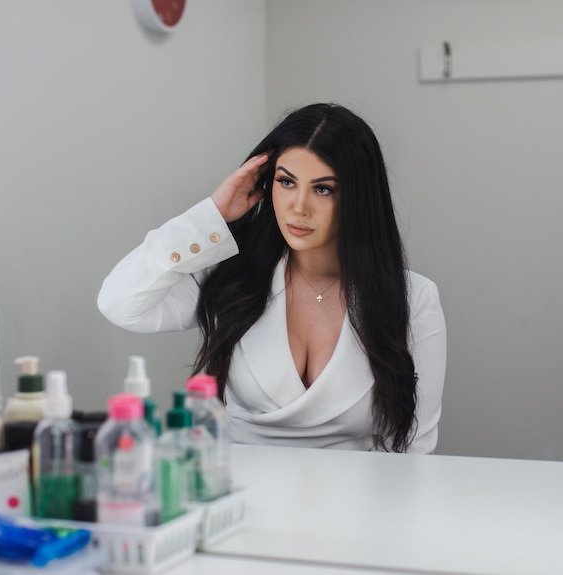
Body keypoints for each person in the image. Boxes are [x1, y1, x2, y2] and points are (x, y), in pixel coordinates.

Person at [98, 103, 446, 454]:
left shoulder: (412, 298)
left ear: (358, 198)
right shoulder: (232, 276)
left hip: (352, 504)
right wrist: (211, 215)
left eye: (323, 189)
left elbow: (413, 449)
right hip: (239, 496)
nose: (299, 207)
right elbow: (120, 304)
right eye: (286, 182)